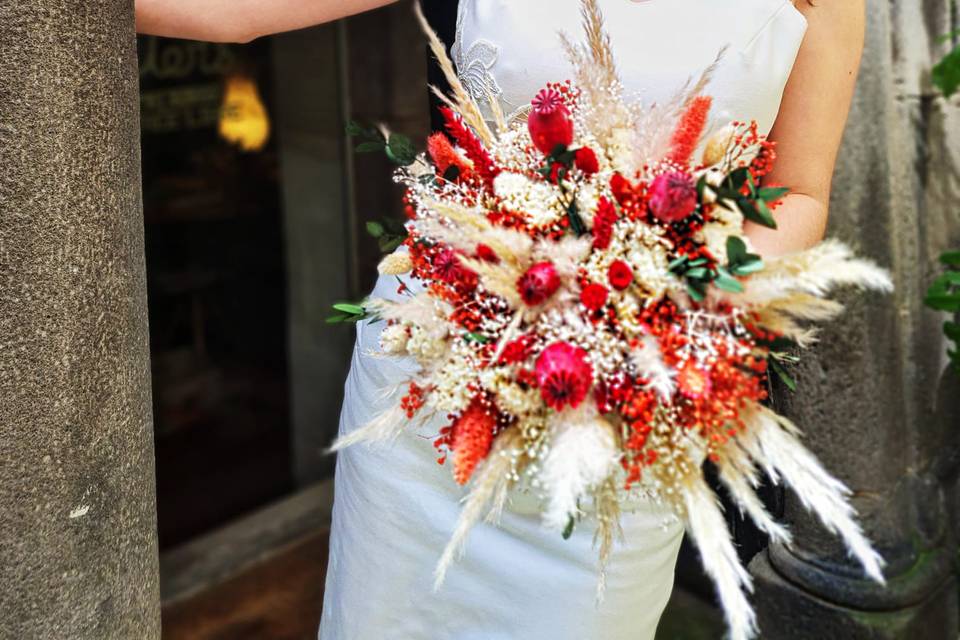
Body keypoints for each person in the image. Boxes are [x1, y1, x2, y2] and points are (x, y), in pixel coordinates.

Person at [137, 1, 866, 638]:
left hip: (624, 409)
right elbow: (231, 8)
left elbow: (800, 192)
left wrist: (654, 298)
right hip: (433, 390)